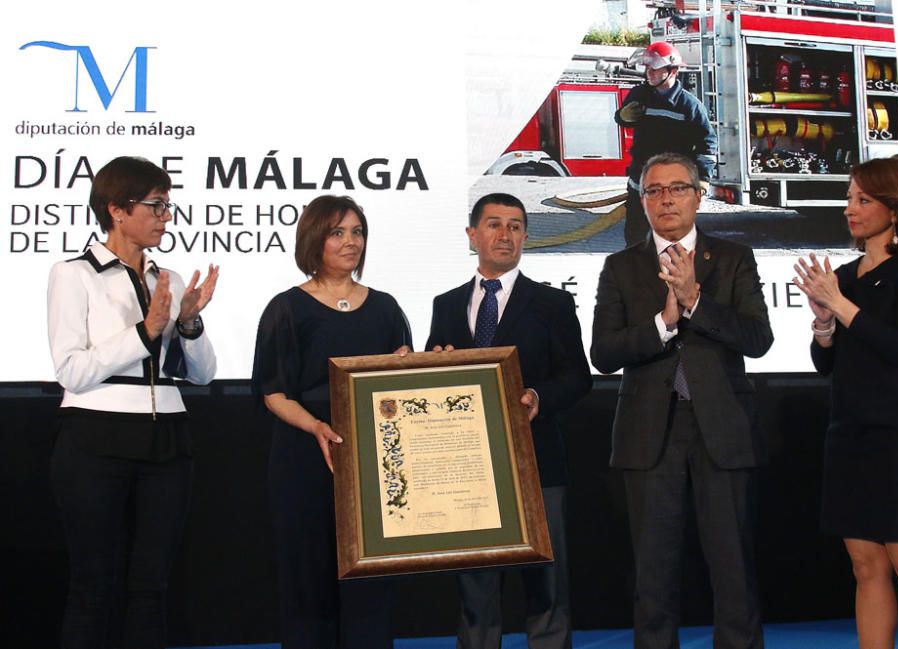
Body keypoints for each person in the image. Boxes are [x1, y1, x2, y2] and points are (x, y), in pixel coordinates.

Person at [591, 152, 772, 649]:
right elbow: (603, 353)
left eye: (677, 188)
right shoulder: (620, 266)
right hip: (649, 433)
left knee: (734, 567)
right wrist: (663, 324)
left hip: (722, 429)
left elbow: (758, 338)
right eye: (653, 190)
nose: (665, 199)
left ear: (698, 194)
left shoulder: (733, 259)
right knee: (653, 573)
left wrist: (695, 302)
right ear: (642, 200)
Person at [47, 155, 219, 649]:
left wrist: (188, 323)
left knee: (152, 588)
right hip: (94, 437)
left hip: (167, 439)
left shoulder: (168, 279)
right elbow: (72, 371)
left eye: (168, 206)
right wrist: (143, 332)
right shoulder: (73, 274)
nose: (166, 217)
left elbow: (203, 375)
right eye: (156, 205)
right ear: (116, 210)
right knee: (91, 585)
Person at [425, 192, 592, 649]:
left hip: (538, 460)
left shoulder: (553, 304)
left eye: (516, 226)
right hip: (469, 468)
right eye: (495, 224)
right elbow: (433, 382)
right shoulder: (446, 304)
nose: (506, 234)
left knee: (547, 582)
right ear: (472, 235)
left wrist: (539, 395)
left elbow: (578, 377)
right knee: (475, 583)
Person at [792, 157, 898, 649]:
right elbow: (827, 365)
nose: (850, 209)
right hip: (850, 433)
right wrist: (822, 322)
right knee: (865, 564)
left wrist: (839, 305)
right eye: (849, 198)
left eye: (863, 199)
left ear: (895, 207)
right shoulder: (844, 275)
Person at [251, 195, 411, 649]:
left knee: (372, 579)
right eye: (338, 232)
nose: (350, 242)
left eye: (357, 232)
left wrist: (405, 370)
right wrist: (317, 427)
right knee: (307, 578)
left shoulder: (385, 307)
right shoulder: (287, 308)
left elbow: (397, 389)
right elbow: (273, 392)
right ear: (314, 238)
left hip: (372, 463)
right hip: (304, 459)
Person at [616, 42, 718, 247]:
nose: (649, 73)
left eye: (654, 68)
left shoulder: (690, 106)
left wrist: (703, 180)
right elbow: (624, 119)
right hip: (640, 186)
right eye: (647, 68)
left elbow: (707, 145)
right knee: (636, 243)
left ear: (672, 71)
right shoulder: (639, 95)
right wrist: (622, 116)